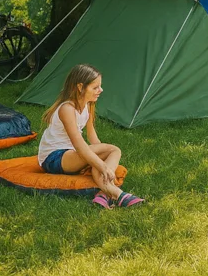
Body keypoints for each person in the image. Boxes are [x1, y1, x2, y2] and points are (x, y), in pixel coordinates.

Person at [38, 64, 144, 208]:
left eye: (99, 86)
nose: (100, 90)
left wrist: (102, 158)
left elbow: (92, 137)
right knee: (112, 151)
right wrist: (102, 165)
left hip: (72, 154)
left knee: (110, 152)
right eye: (95, 87)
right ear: (80, 87)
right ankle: (117, 194)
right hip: (54, 158)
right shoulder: (67, 109)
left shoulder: (87, 105)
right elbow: (80, 145)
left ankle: (103, 195)